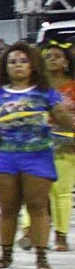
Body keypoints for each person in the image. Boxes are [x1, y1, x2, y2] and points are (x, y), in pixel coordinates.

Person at [0, 44, 75, 269]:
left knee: (38, 206)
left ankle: (41, 256)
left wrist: (68, 122)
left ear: (33, 65)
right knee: (8, 208)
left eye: (23, 61)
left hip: (38, 155)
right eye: (12, 62)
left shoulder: (46, 93)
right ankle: (5, 255)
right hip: (5, 156)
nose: (18, 66)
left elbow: (64, 118)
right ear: (5, 67)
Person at [44, 43, 75, 253]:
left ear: (66, 62)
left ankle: (61, 235)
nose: (52, 59)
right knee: (38, 192)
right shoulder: (36, 88)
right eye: (48, 56)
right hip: (37, 144)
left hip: (68, 144)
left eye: (57, 56)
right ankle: (33, 231)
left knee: (61, 192)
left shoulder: (73, 86)